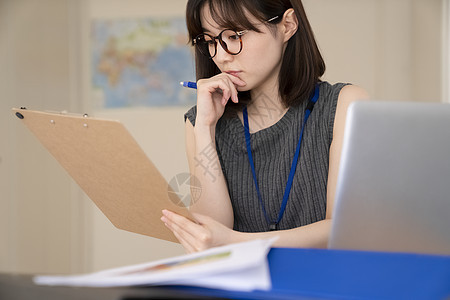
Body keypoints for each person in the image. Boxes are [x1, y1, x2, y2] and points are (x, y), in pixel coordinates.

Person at [161, 0, 369, 253]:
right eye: (210, 41)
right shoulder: (200, 121)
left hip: (322, 286)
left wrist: (232, 242)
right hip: (238, 288)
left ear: (288, 25)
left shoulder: (345, 106)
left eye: (234, 35)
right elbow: (206, 238)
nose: (222, 56)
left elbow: (346, 231)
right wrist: (205, 128)